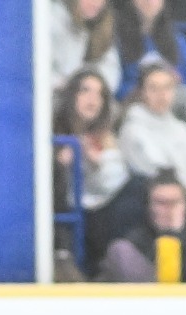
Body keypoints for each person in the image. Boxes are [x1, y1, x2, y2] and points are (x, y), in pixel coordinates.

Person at [117, 62, 186, 213]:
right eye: (153, 88)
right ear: (142, 93)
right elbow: (165, 179)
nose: (161, 95)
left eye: (167, 87)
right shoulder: (132, 131)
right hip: (151, 207)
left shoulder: (182, 129)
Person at [56, 68, 133, 266]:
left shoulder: (105, 137)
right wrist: (59, 164)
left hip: (100, 211)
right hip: (69, 212)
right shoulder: (50, 133)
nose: (93, 99)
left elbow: (115, 184)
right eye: (85, 90)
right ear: (71, 95)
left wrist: (96, 164)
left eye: (99, 94)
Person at [112, 0, 186, 142]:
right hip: (134, 102)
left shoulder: (177, 40)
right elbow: (113, 84)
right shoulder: (116, 40)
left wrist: (174, 83)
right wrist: (145, 88)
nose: (149, 1)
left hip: (171, 101)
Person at [99, 168, 186, 280]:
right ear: (149, 206)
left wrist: (176, 234)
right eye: (161, 203)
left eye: (175, 202)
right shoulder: (135, 241)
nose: (169, 209)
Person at [48, 0, 122, 94]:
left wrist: (90, 87)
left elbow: (110, 73)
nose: (95, 2)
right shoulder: (53, 19)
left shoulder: (104, 27)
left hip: (83, 100)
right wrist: (68, 86)